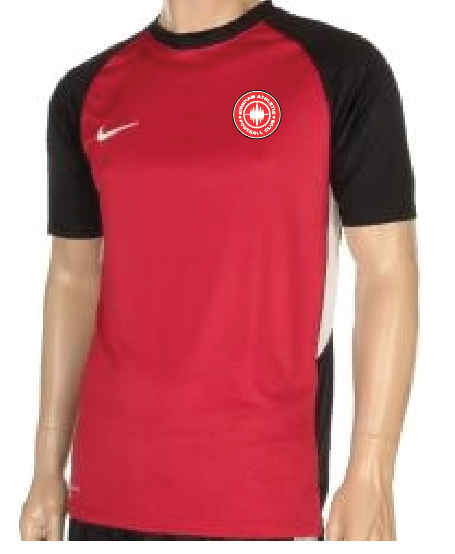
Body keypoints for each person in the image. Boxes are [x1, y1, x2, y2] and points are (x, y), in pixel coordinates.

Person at [19, 0, 418, 541]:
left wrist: (372, 470)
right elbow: (72, 276)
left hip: (259, 488)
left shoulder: (340, 70)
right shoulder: (86, 92)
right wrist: (47, 465)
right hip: (110, 486)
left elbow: (388, 271)